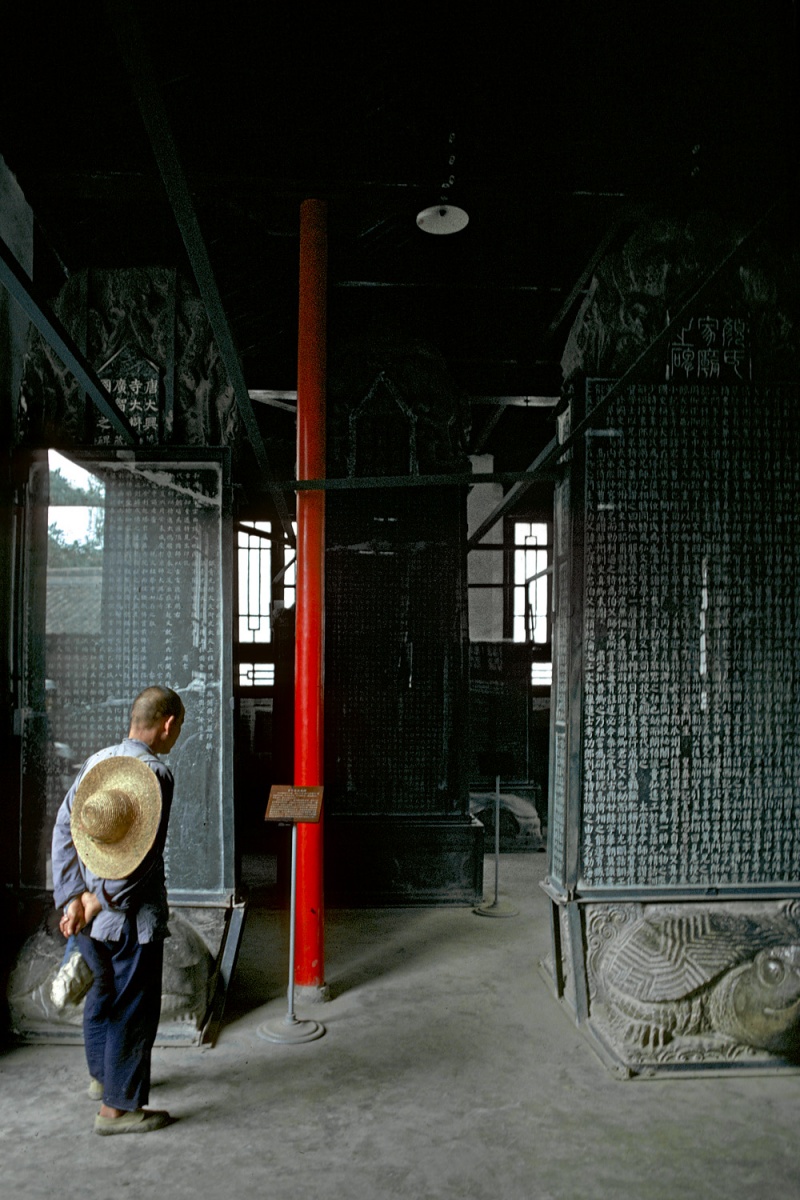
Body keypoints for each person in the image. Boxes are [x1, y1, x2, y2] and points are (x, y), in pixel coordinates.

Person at [51, 685, 185, 1135]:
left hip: (90, 919)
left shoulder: (97, 763)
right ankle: (117, 1110)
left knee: (102, 995)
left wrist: (73, 897)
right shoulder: (155, 775)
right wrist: (97, 899)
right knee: (133, 1005)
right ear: (168, 725)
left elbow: (64, 826)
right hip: (129, 918)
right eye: (178, 728)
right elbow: (141, 861)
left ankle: (103, 1079)